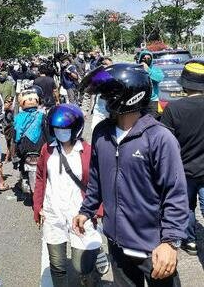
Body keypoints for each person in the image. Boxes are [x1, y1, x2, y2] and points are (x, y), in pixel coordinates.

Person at [74, 63, 188, 286]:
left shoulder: (159, 138)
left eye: (108, 94)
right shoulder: (102, 133)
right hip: (117, 244)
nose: (104, 99)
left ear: (127, 96)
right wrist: (86, 210)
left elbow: (175, 193)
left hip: (153, 247)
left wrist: (170, 242)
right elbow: (96, 178)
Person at [33, 104, 102, 287]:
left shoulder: (87, 151)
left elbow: (98, 182)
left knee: (81, 265)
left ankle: (93, 264)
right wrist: (37, 207)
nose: (61, 132)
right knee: (57, 264)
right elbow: (40, 179)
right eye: (58, 129)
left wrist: (98, 210)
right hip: (53, 213)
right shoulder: (47, 150)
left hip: (80, 214)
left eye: (65, 129)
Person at [161, 59, 204, 256]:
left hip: (183, 170)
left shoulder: (173, 109)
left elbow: (166, 144)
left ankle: (191, 242)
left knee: (186, 207)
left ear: (184, 84)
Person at [137, 51, 164, 118]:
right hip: (139, 101)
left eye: (148, 58)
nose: (145, 60)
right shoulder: (136, 69)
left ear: (151, 60)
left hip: (152, 101)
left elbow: (159, 79)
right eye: (144, 58)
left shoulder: (156, 69)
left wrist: (148, 70)